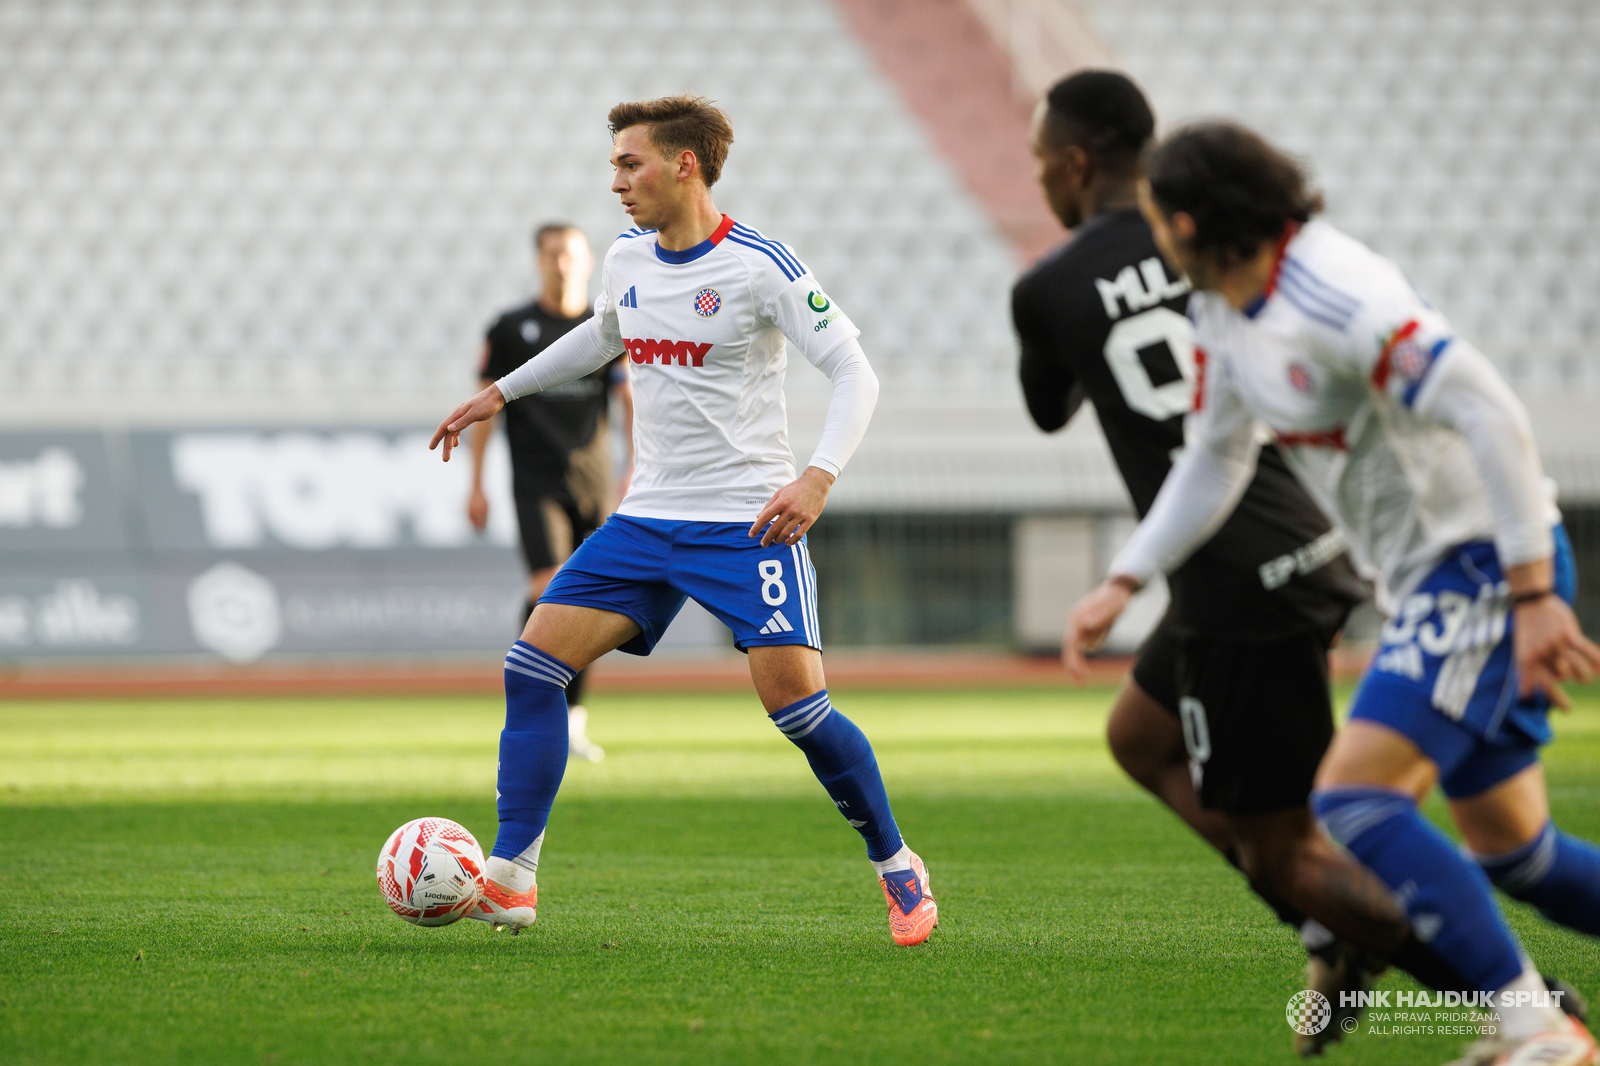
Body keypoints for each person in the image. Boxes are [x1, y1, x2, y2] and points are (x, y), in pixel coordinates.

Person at [1068, 121, 1600, 1066]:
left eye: (1154, 219)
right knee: (1521, 855)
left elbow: (1490, 410)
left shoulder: (1338, 294)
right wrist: (1125, 577)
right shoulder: (1222, 311)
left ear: (1186, 223)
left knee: (1355, 800)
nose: (1150, 236)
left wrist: (1531, 593)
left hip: (1482, 567)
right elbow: (1215, 456)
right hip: (1436, 579)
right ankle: (1532, 1023)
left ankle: (1537, 1030)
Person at [1015, 70, 1471, 1055]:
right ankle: (1334, 928)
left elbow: (1048, 406)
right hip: (1300, 536)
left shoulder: (1048, 287)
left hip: (1234, 580)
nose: (1039, 178)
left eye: (1041, 161)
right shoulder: (1213, 234)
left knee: (1284, 849)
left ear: (1076, 163)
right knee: (1140, 736)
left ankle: (1522, 1001)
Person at [431, 95, 937, 946]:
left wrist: (816, 478)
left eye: (630, 164)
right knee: (533, 666)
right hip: (647, 519)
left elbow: (856, 371)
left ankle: (897, 864)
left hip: (745, 522)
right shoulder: (626, 257)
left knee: (799, 712)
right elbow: (602, 336)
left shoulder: (759, 266)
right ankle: (512, 878)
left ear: (684, 165)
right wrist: (501, 393)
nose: (616, 182)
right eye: (615, 166)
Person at [467, 223, 632, 762]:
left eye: (571, 254)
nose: (562, 263)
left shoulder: (606, 326)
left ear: (588, 262)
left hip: (594, 485)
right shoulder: (511, 329)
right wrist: (476, 483)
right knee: (548, 590)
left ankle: (572, 719)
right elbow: (487, 408)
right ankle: (535, 712)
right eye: (553, 253)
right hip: (535, 484)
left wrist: (635, 467)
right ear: (538, 261)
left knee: (588, 601)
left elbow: (630, 400)